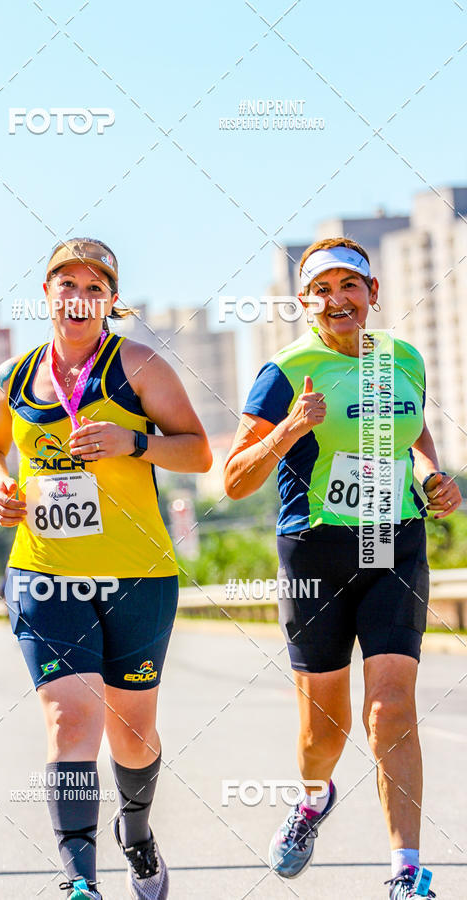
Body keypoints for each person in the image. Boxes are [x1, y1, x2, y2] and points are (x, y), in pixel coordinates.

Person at [0, 238, 212, 900]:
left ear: (111, 299)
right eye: (66, 284)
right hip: (46, 575)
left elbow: (197, 454)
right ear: (47, 295)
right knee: (71, 720)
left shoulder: (137, 367)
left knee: (133, 733)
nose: (79, 297)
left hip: (138, 575)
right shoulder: (14, 378)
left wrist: (133, 442)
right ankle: (80, 882)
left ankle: (135, 832)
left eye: (94, 286)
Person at [224, 238, 461, 899]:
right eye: (321, 291)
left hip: (393, 544)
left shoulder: (402, 360)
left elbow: (413, 434)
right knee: (322, 731)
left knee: (389, 711)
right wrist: (290, 428)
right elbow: (235, 479)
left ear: (373, 294)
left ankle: (406, 871)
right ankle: (311, 801)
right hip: (317, 553)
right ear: (304, 303)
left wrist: (434, 476)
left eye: (349, 287)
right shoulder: (284, 372)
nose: (337, 301)